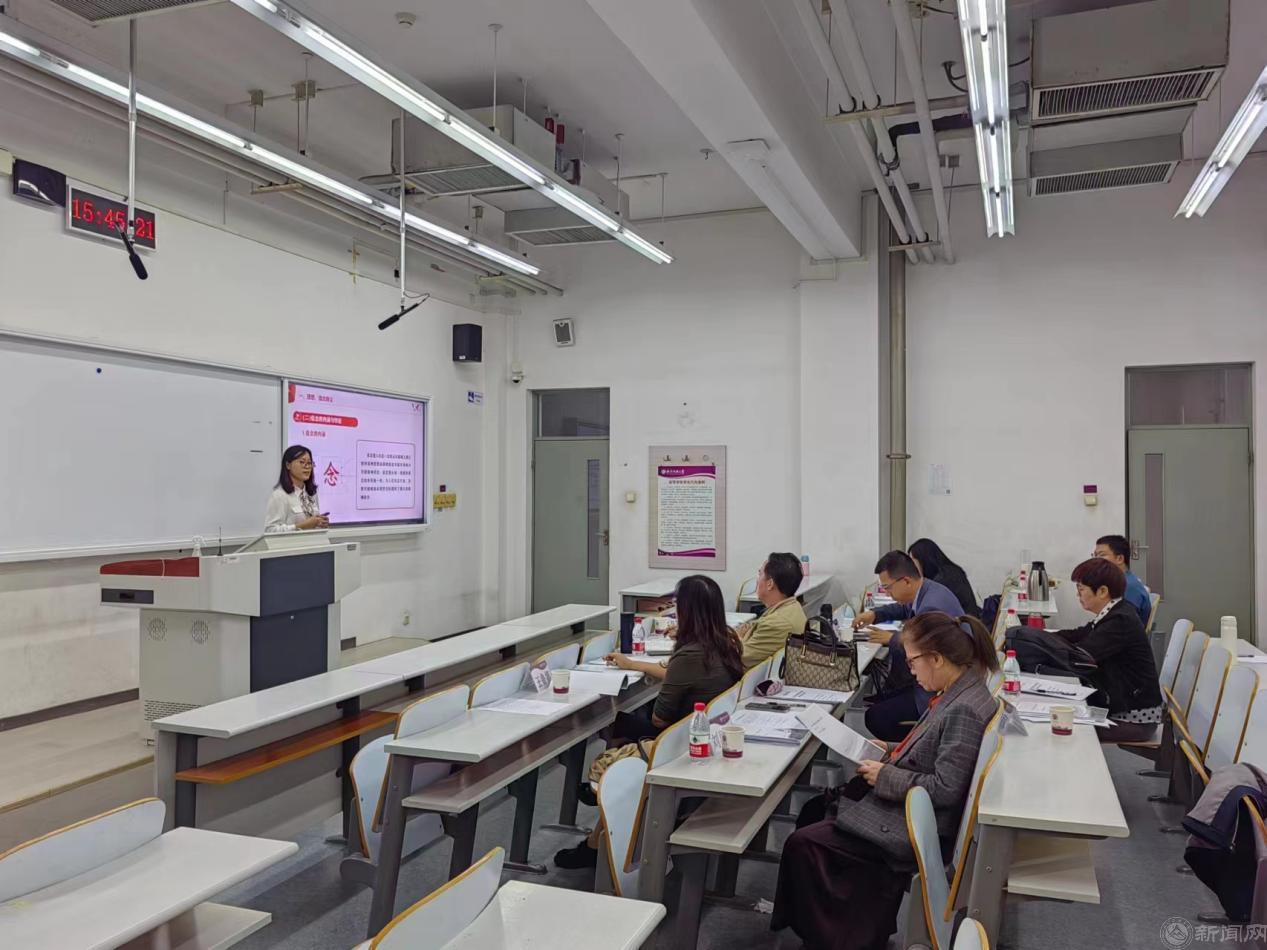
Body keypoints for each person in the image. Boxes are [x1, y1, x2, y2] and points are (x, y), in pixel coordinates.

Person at [771, 612, 1000, 950]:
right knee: (814, 810)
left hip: (920, 826)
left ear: (937, 659)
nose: (911, 671)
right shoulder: (960, 689)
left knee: (802, 843)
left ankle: (831, 936)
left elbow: (946, 788)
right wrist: (892, 748)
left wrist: (885, 774)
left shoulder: (961, 708)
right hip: (914, 810)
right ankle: (847, 929)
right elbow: (934, 748)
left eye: (912, 662)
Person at [555, 574, 742, 869]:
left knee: (621, 723)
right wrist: (633, 665)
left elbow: (660, 718)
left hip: (677, 742)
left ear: (687, 611)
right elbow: (677, 674)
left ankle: (602, 810)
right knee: (631, 719)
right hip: (701, 734)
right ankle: (600, 808)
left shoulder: (689, 655)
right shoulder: (726, 643)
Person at [852, 550, 965, 741]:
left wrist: (892, 639)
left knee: (875, 716)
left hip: (937, 689)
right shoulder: (928, 590)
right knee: (882, 697)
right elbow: (904, 607)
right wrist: (875, 614)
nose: (888, 594)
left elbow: (925, 649)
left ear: (905, 581)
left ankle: (917, 744)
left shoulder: (931, 606)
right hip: (936, 679)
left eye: (888, 588)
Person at [1053, 557, 1162, 743]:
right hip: (1121, 706)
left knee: (1061, 725)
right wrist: (1041, 637)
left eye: (1081, 589)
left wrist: (1045, 647)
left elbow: (1082, 656)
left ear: (1102, 591)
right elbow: (1079, 634)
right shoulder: (1114, 612)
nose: (1078, 595)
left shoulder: (1120, 620)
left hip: (1133, 720)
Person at [734, 552, 807, 669]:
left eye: (760, 574)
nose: (757, 580)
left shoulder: (776, 624)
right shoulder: (793, 607)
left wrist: (737, 638)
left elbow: (738, 659)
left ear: (770, 584)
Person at [908, 538, 980, 618]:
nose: (911, 567)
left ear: (924, 560)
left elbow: (923, 608)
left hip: (964, 623)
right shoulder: (945, 572)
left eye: (913, 562)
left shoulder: (946, 578)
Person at [265, 445, 329, 533]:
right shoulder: (279, 495)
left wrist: (320, 523)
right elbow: (270, 530)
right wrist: (301, 526)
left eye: (309, 463)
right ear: (288, 465)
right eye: (302, 462)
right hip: (292, 542)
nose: (307, 466)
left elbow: (312, 526)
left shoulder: (311, 493)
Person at [1094, 534, 1153, 627]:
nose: (1095, 560)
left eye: (1102, 555)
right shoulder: (1122, 582)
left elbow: (1122, 625)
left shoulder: (1128, 586)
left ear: (1120, 559)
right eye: (1095, 556)